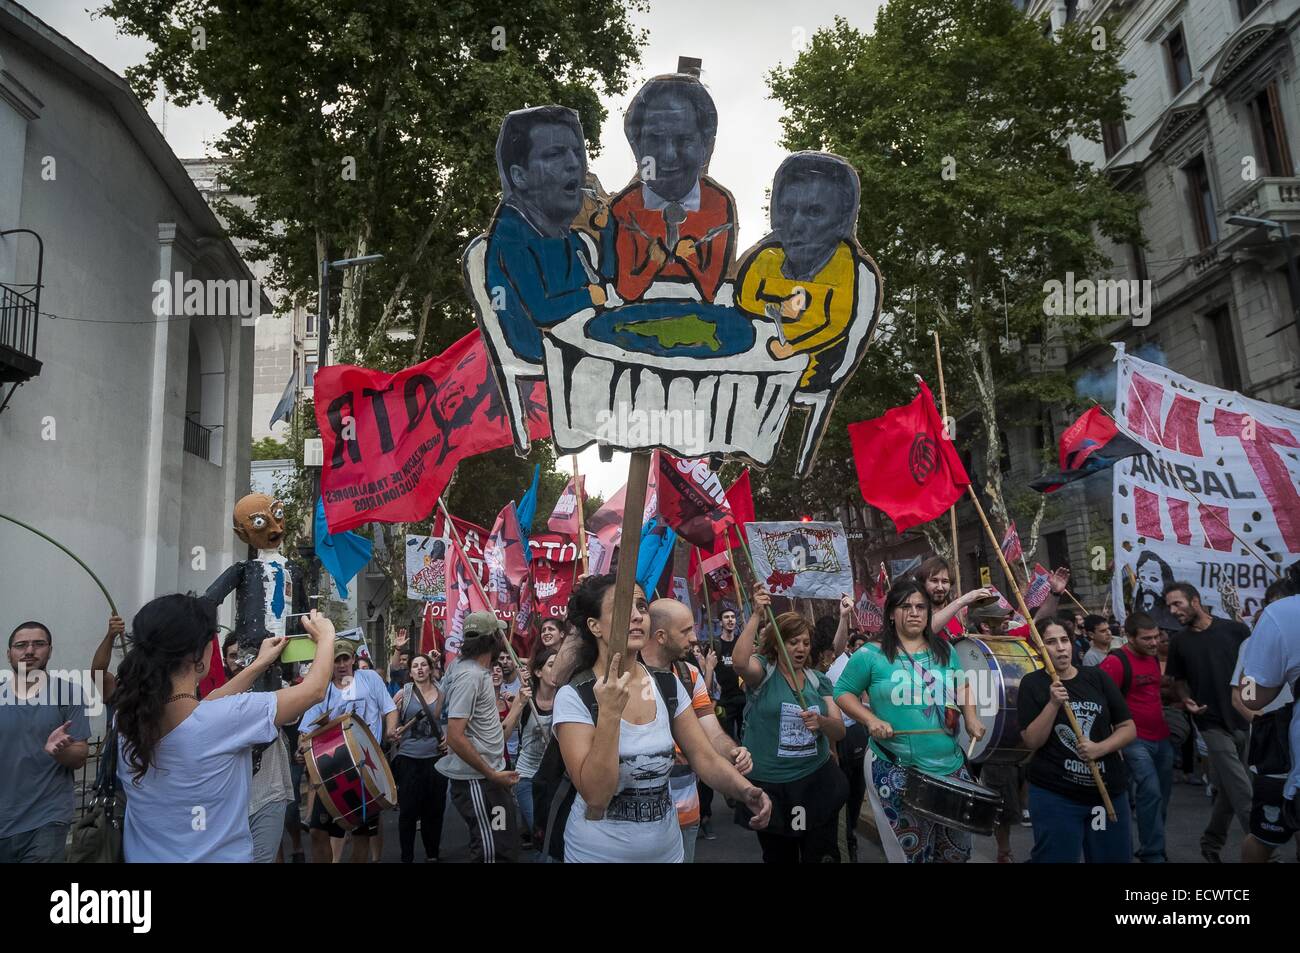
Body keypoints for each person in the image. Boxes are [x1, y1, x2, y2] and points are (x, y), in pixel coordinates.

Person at [552, 575, 770, 863]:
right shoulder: (573, 697)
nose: (637, 616)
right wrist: (609, 715)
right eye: (622, 608)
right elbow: (596, 796)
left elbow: (703, 757)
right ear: (594, 626)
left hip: (668, 852)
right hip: (597, 855)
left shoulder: (667, 685)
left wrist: (745, 790)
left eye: (642, 607)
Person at [114, 596, 335, 862]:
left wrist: (257, 665)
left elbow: (201, 713)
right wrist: (326, 637)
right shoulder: (222, 720)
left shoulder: (128, 720)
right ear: (198, 653)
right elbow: (315, 690)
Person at [834, 578, 985, 863]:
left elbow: (962, 686)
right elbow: (843, 692)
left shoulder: (945, 651)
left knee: (956, 853)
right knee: (913, 855)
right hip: (895, 767)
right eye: (906, 607)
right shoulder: (870, 654)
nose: (915, 612)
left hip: (950, 767)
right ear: (891, 612)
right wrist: (870, 719)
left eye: (921, 607)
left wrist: (972, 717)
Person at [484, 105, 613, 363]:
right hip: (548, 362)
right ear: (519, 176)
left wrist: (609, 230)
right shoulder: (510, 236)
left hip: (583, 349)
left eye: (577, 153)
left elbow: (605, 285)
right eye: (555, 155)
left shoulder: (569, 238)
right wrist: (590, 295)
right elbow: (542, 311)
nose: (574, 164)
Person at [736, 152, 875, 389]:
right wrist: (780, 311)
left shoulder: (854, 272)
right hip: (748, 372)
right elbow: (741, 306)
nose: (796, 224)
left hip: (812, 376)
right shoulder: (762, 260)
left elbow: (837, 325)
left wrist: (793, 348)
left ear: (842, 220)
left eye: (814, 212)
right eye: (788, 210)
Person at [643, 598, 753, 863]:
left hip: (686, 811)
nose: (693, 638)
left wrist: (733, 751)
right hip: (641, 822)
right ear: (660, 636)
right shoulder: (627, 677)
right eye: (685, 631)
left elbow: (712, 734)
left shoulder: (689, 675)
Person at [609, 74, 736, 303]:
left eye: (684, 139)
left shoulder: (718, 203)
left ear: (706, 147)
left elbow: (712, 290)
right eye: (655, 139)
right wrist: (655, 261)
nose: (668, 155)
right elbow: (624, 288)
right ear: (637, 148)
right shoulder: (623, 209)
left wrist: (687, 258)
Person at [1016, 620, 1135, 862]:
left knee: (1110, 856)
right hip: (1056, 797)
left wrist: (1099, 748)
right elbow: (1032, 741)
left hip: (1104, 795)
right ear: (1039, 649)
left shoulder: (1097, 677)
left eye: (1064, 640)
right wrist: (1053, 704)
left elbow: (1128, 728)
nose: (1060, 648)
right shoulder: (1032, 684)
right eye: (1051, 642)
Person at [1163, 581, 1252, 862]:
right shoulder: (1178, 642)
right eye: (1169, 606)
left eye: (1177, 604)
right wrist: (1187, 700)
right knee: (1244, 792)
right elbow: (1179, 682)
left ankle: (1210, 844)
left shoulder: (1235, 630)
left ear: (1195, 601)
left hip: (1243, 719)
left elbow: (1253, 670)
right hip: (1210, 723)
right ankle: (1265, 853)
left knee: (1228, 791)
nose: (1173, 611)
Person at [297, 638, 398, 863]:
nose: (341, 664)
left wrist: (391, 730)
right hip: (333, 768)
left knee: (361, 834)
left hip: (367, 766)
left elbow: (390, 708)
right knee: (317, 832)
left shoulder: (370, 678)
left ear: (353, 659)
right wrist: (301, 747)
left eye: (345, 658)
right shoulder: (322, 690)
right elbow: (306, 729)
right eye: (336, 660)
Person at [1, 620, 92, 862]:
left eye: (38, 644)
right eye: (21, 645)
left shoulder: (68, 693)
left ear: (50, 650)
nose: (29, 651)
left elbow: (80, 756)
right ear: (8, 653)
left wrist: (60, 751)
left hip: (46, 819)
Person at [438, 613, 521, 862]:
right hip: (479, 781)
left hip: (487, 778)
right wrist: (491, 774)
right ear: (493, 639)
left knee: (503, 845)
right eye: (501, 634)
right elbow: (454, 735)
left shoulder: (462, 668)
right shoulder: (469, 676)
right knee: (489, 850)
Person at [1238, 568, 1300, 862]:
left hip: (1288, 755)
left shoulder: (1281, 615)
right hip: (1279, 755)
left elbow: (1251, 696)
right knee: (1265, 834)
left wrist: (1251, 672)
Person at [1098, 612, 1171, 862]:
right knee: (1149, 792)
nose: (1154, 643)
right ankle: (1153, 854)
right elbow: (1101, 702)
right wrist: (1111, 741)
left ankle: (1151, 845)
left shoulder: (1152, 658)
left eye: (1156, 637)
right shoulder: (1116, 662)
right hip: (1133, 740)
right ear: (1129, 637)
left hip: (1162, 738)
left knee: (1160, 797)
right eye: (1147, 638)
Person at [390, 652, 448, 863]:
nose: (420, 669)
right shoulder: (404, 694)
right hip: (409, 758)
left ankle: (432, 853)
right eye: (416, 666)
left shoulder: (442, 693)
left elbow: (449, 720)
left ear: (431, 669)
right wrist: (393, 730)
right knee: (408, 811)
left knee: (435, 809)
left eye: (424, 665)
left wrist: (448, 738)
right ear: (411, 672)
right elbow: (392, 721)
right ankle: (407, 857)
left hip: (436, 758)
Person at [826, 593, 868, 862]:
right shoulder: (829, 663)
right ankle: (843, 840)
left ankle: (850, 830)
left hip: (857, 733)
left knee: (857, 790)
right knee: (840, 790)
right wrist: (843, 617)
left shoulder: (857, 660)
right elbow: (838, 646)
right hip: (836, 735)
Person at [515, 647, 559, 846]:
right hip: (527, 776)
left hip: (555, 777)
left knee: (554, 833)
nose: (557, 669)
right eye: (551, 665)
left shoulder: (566, 699)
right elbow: (503, 733)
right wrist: (518, 705)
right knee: (541, 832)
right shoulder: (526, 700)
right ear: (538, 672)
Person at [913, 556, 965, 641]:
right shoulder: (916, 612)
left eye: (945, 581)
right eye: (934, 580)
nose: (940, 587)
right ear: (923, 583)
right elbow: (926, 631)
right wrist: (962, 601)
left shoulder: (956, 614)